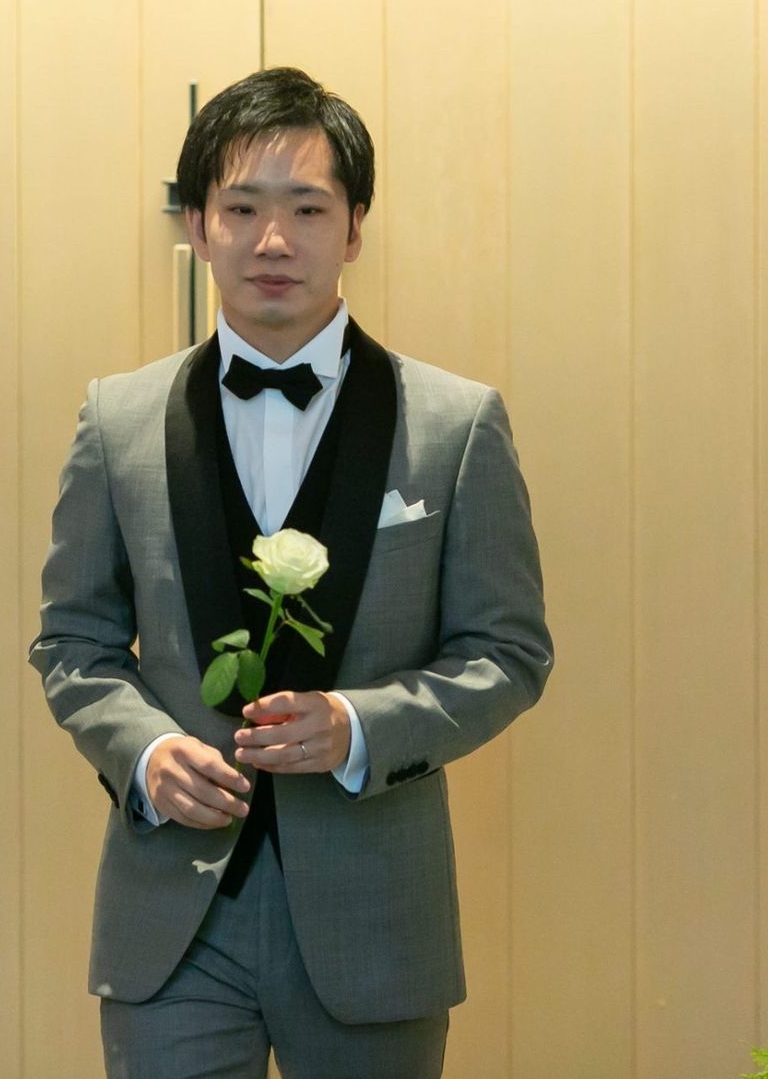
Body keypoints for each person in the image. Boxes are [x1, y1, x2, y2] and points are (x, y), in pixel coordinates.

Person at [29, 67, 552, 1079]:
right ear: (196, 225)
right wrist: (144, 751)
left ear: (354, 227)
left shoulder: (457, 425)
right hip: (171, 921)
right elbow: (72, 642)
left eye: (308, 208)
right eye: (241, 208)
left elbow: (509, 651)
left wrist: (360, 726)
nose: (273, 240)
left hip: (376, 922)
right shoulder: (115, 420)